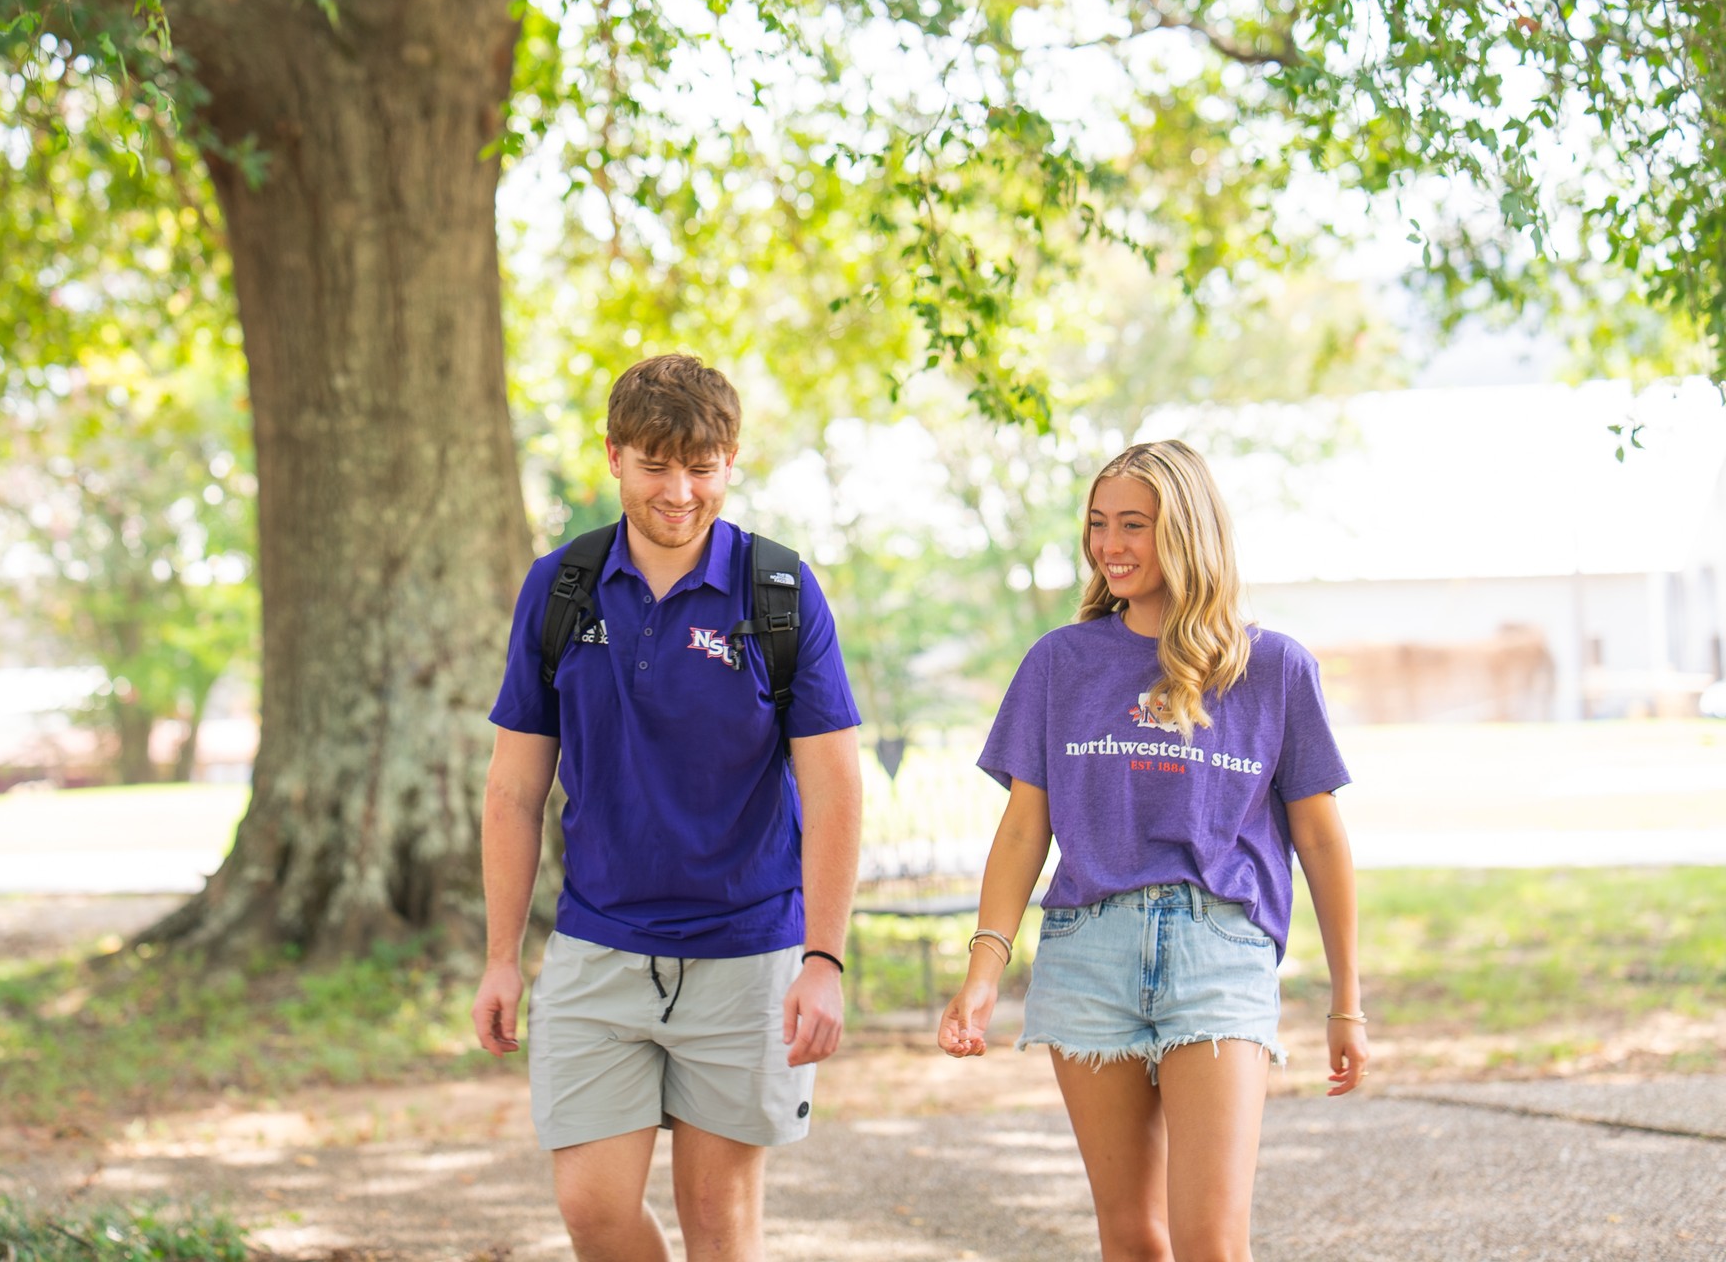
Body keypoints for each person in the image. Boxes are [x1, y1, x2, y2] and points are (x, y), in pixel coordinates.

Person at [472, 353, 864, 1262]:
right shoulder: (560, 588)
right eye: (655, 464)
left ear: (731, 461)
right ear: (613, 457)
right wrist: (501, 957)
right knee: (593, 1210)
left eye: (701, 466)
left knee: (718, 1224)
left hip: (746, 954)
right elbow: (513, 787)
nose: (679, 490)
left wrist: (825, 959)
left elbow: (835, 787)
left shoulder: (778, 592)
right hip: (599, 947)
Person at [938, 439, 1369, 1262]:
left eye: (1133, 524)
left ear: (1189, 531)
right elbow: (1026, 828)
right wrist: (983, 973)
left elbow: (1320, 837)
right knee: (1133, 1238)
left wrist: (1346, 1000)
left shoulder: (1273, 667)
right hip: (1086, 958)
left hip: (1219, 955)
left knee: (1211, 1243)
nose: (1110, 546)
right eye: (1099, 525)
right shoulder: (1060, 663)